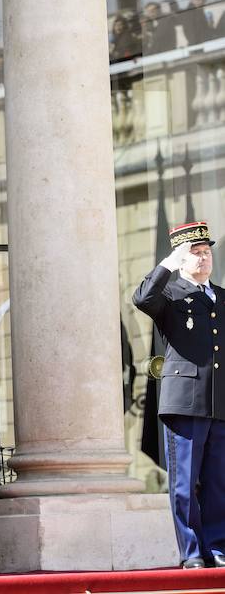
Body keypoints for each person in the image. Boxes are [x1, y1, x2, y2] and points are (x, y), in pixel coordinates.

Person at [133, 221, 225, 569]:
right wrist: (167, 266)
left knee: (218, 482)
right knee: (185, 484)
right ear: (180, 259)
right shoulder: (169, 296)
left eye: (206, 252)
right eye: (194, 253)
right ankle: (191, 552)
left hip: (219, 402)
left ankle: (217, 547)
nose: (203, 258)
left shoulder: (222, 297)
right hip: (184, 400)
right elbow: (142, 298)